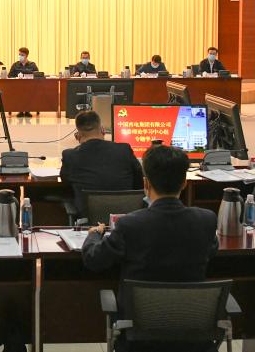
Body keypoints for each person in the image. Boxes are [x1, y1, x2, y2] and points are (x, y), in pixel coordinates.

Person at [82, 145, 218, 352]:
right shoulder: (206, 220)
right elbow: (212, 250)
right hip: (193, 335)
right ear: (184, 182)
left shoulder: (130, 224)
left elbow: (94, 260)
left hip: (138, 339)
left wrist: (93, 235)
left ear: (146, 183)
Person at [60, 111, 143, 219]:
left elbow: (66, 183)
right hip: (125, 219)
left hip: (89, 222)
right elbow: (139, 182)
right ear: (103, 130)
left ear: (78, 135)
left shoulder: (70, 156)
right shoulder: (124, 149)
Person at [9, 47, 38, 117]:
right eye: (19, 54)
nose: (20, 56)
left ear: (26, 56)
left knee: (30, 92)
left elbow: (37, 75)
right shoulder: (15, 65)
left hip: (30, 87)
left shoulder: (32, 65)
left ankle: (27, 110)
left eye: (22, 55)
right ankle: (20, 110)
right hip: (17, 87)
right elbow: (10, 76)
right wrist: (17, 77)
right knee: (19, 91)